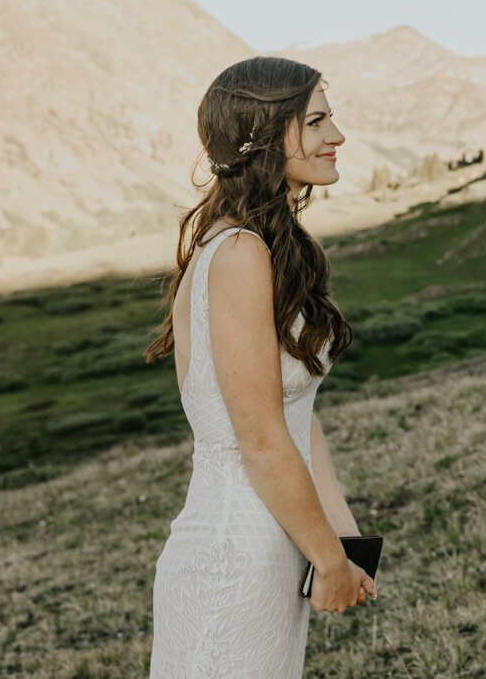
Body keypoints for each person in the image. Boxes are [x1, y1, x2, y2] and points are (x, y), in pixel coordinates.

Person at [145, 56, 374, 678]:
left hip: (272, 546)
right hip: (232, 553)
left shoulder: (271, 247)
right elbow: (262, 442)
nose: (337, 137)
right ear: (269, 138)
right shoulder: (241, 253)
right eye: (319, 121)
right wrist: (327, 561)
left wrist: (344, 543)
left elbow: (296, 417)